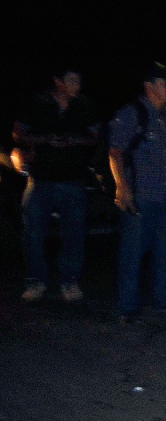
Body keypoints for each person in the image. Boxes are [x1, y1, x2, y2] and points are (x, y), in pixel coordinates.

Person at [13, 67, 100, 303]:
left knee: (74, 234)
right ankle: (35, 281)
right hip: (41, 178)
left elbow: (95, 136)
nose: (77, 85)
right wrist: (46, 140)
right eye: (72, 80)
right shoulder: (37, 103)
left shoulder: (84, 105)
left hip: (74, 178)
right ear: (57, 82)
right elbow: (18, 134)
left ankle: (69, 281)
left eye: (79, 81)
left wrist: (75, 139)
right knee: (33, 233)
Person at [109, 62, 166, 323]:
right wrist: (122, 188)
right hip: (140, 195)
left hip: (164, 196)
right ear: (149, 85)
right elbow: (116, 152)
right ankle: (126, 307)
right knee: (132, 253)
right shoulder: (132, 114)